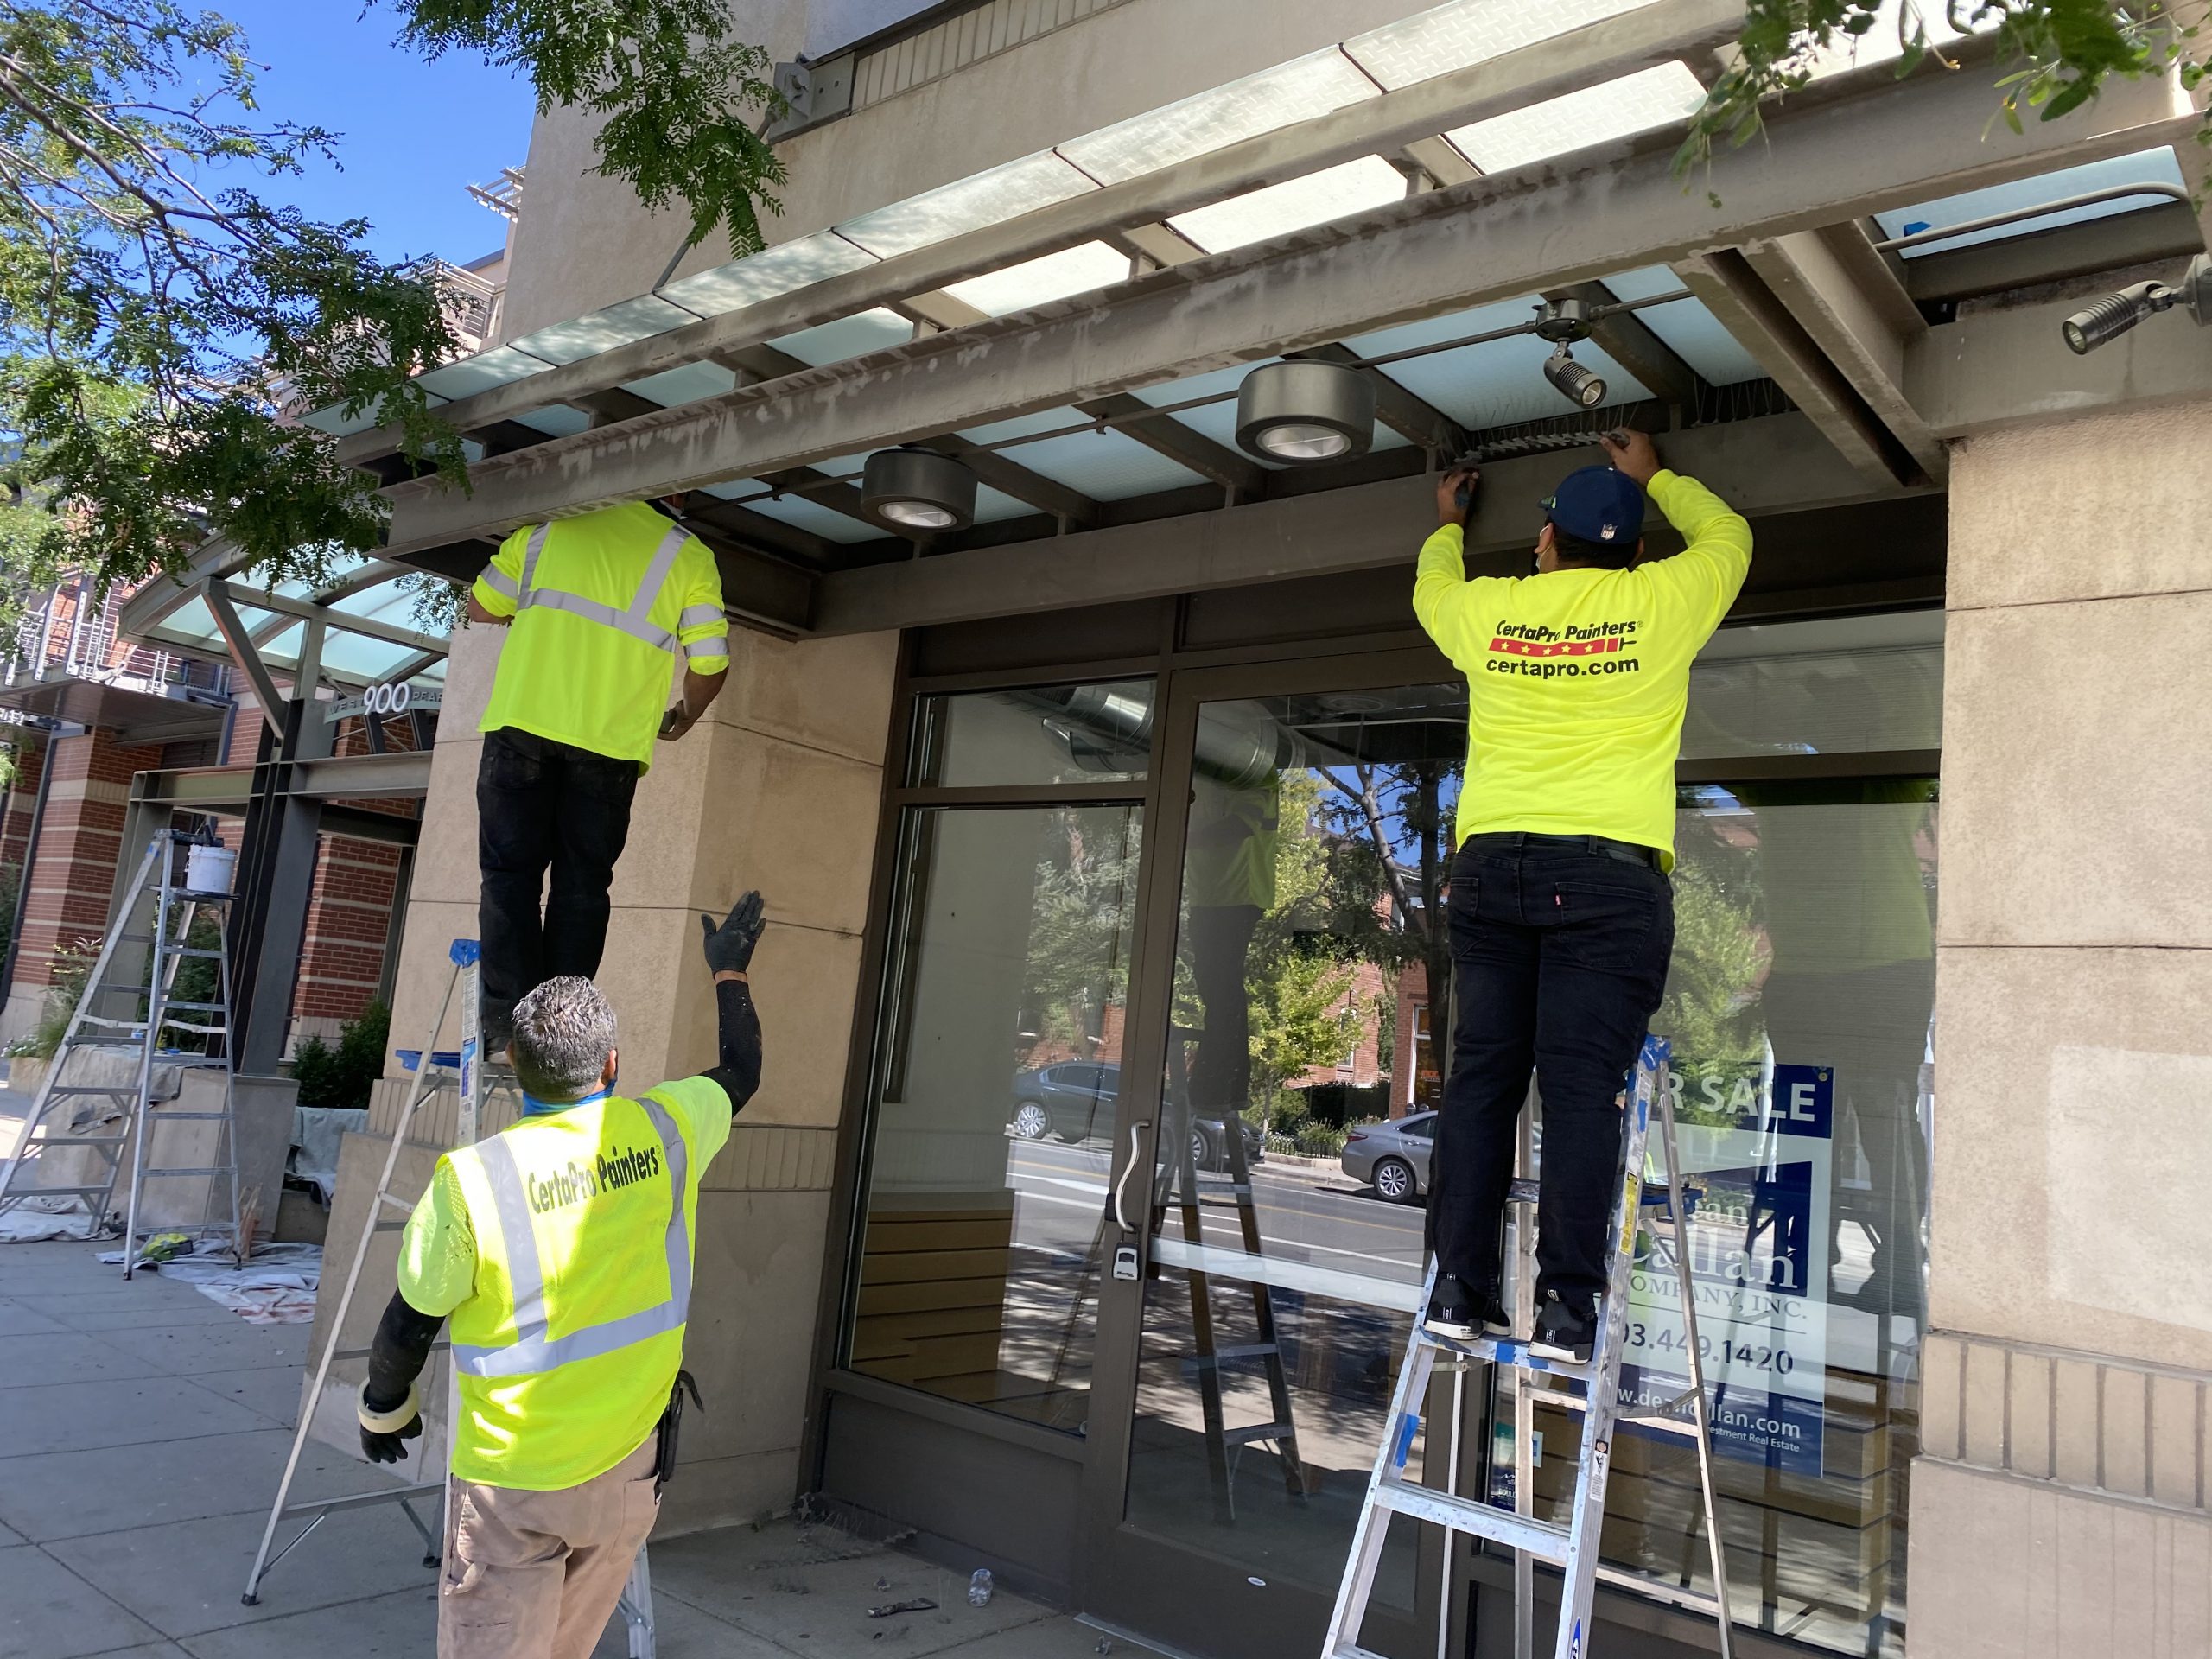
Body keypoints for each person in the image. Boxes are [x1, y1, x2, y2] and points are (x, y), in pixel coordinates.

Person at [353, 893, 768, 1658]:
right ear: (611, 1065)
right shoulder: (667, 1130)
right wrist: (729, 972)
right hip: (629, 1474)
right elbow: (741, 1070)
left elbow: (410, 1321)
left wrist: (384, 1408)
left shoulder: (472, 1182)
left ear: (513, 1064)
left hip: (516, 1486)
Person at [1411, 430, 1752, 1362]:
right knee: (1578, 1093)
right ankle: (1566, 1307)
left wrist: (1448, 524)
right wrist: (1659, 477)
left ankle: (1457, 1288)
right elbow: (1731, 538)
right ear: (1635, 549)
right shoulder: (1661, 599)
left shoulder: (1494, 609)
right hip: (1605, 878)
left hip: (1493, 867)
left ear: (1545, 541)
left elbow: (1430, 590)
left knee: (1482, 1080)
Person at [467, 498, 732, 1052]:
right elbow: (710, 661)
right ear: (677, 496)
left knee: (509, 875)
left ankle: (508, 1024)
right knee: (583, 886)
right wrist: (686, 714)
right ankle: (560, 1029)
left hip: (522, 725)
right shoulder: (689, 556)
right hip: (609, 746)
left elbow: (482, 607)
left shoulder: (546, 531)